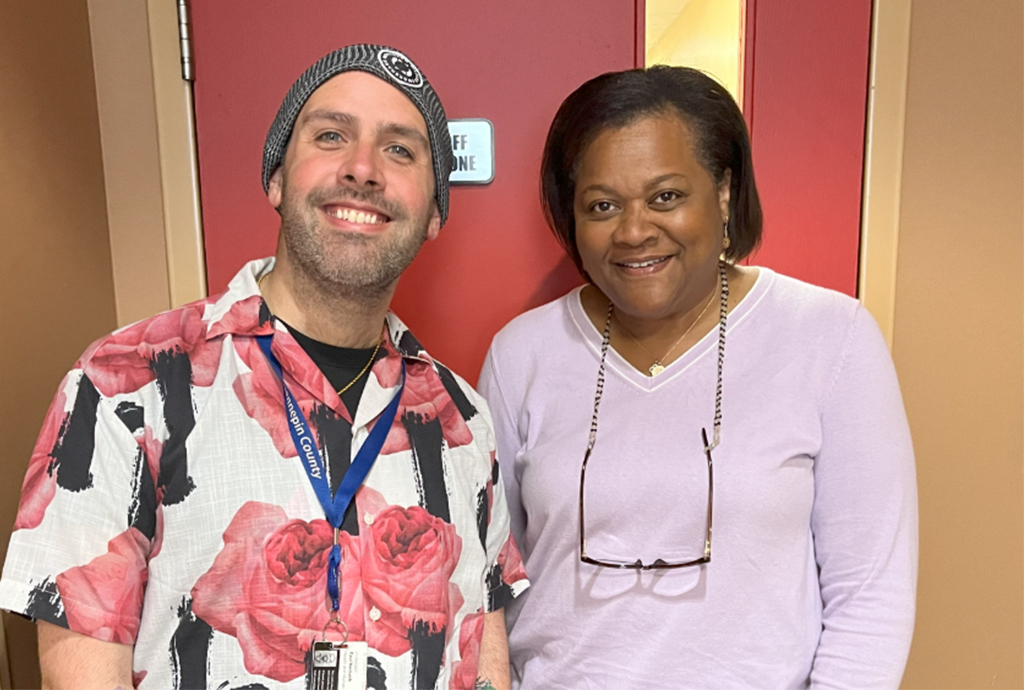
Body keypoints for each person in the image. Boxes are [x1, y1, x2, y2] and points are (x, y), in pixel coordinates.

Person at [0, 44, 527, 690]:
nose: (363, 168)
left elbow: (484, 648)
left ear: (435, 212)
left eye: (400, 150)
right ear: (277, 178)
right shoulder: (125, 387)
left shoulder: (461, 418)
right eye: (331, 136)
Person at [478, 66, 917, 689]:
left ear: (725, 192)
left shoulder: (830, 338)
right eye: (602, 205)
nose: (634, 231)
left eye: (665, 197)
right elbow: (488, 581)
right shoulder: (521, 354)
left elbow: (870, 597)